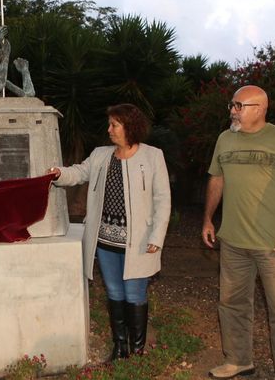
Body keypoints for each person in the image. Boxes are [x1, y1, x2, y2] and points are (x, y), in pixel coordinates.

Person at [201, 85, 275, 380]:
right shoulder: (225, 139)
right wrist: (208, 219)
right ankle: (238, 361)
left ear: (260, 109)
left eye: (239, 105)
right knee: (231, 304)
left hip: (273, 243)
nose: (233, 111)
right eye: (232, 105)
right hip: (233, 240)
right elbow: (216, 180)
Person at [49, 103, 171, 361]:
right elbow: (79, 172)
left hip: (138, 242)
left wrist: (156, 237)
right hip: (104, 240)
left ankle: (137, 353)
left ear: (130, 126)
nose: (110, 129)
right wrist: (59, 173)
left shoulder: (152, 156)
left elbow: (163, 199)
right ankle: (120, 348)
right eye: (110, 124)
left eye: (115, 124)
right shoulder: (101, 154)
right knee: (114, 293)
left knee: (135, 293)